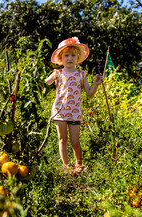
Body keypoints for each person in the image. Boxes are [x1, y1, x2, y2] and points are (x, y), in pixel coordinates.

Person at [45, 37, 103, 175]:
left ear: (78, 58)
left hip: (75, 112)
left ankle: (79, 164)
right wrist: (39, 77)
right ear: (60, 58)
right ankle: (66, 167)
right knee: (62, 139)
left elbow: (89, 93)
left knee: (75, 141)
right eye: (66, 55)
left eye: (73, 55)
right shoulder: (57, 73)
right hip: (59, 111)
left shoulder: (81, 74)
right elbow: (44, 83)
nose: (70, 58)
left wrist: (96, 84)